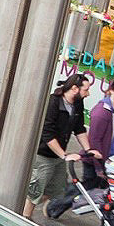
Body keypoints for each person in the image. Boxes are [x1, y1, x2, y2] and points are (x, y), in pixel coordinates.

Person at [30, 74, 92, 217]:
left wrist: (89, 150)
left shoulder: (77, 103)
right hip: (44, 154)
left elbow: (79, 128)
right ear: (75, 89)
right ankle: (25, 217)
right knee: (36, 192)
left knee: (58, 189)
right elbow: (48, 134)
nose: (88, 94)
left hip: (59, 155)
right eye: (86, 90)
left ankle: (27, 205)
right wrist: (64, 155)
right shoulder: (53, 102)